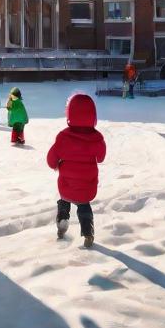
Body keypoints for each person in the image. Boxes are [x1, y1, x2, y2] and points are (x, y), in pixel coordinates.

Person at [46, 93, 107, 249]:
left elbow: (51, 158)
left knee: (65, 199)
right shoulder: (97, 138)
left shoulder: (63, 137)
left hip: (67, 183)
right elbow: (101, 157)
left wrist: (55, 164)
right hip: (87, 184)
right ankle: (88, 232)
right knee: (84, 205)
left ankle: (62, 220)